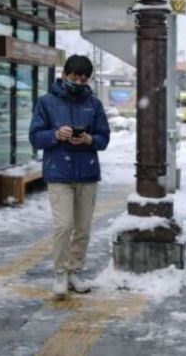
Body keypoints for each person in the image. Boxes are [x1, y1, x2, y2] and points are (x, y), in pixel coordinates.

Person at [29, 55, 111, 299]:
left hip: (87, 173)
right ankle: (60, 272)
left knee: (83, 228)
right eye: (74, 77)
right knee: (63, 226)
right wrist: (55, 135)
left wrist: (89, 139)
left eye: (83, 79)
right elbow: (35, 137)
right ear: (64, 74)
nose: (78, 82)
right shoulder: (46, 102)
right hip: (58, 173)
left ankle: (76, 271)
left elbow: (104, 138)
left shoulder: (94, 105)